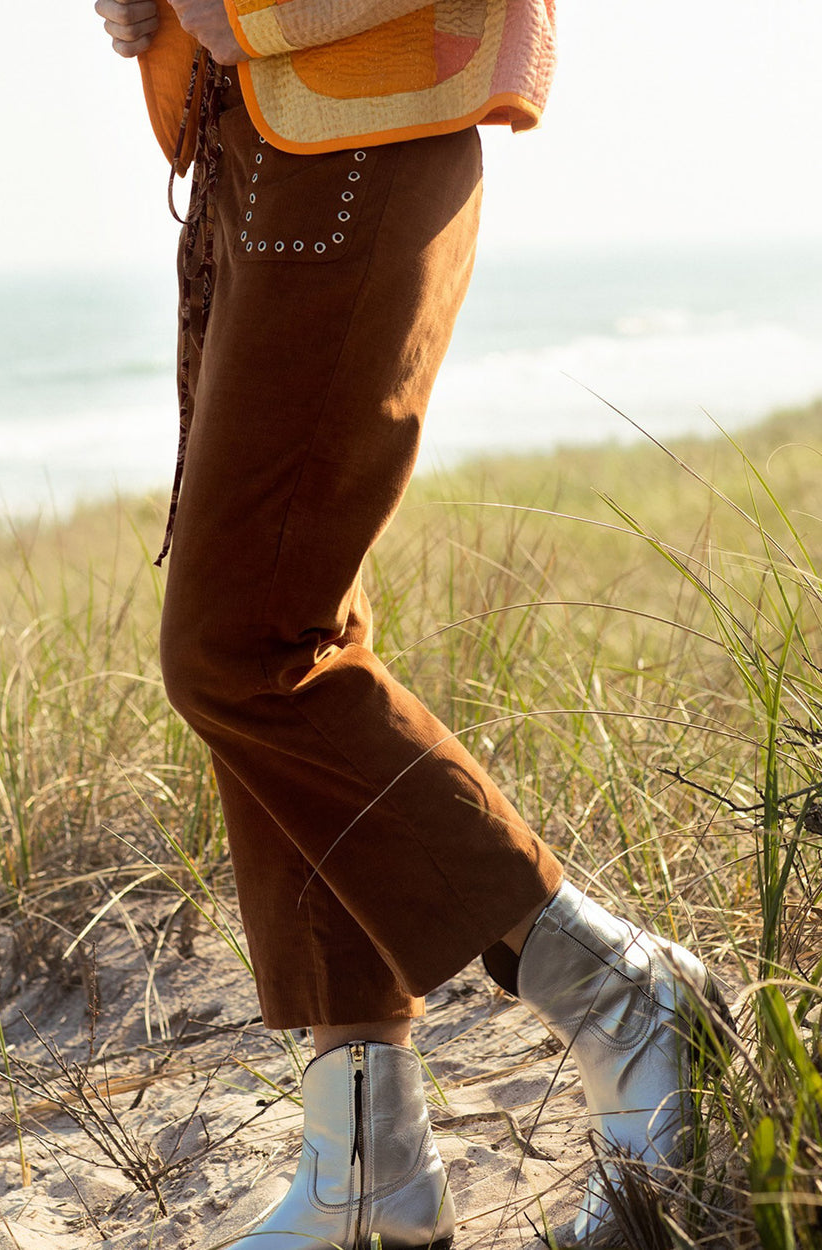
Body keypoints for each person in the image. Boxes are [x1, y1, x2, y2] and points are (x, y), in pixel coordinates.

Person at [93, 1, 732, 1244]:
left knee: (243, 644)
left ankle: (623, 991)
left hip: (360, 124)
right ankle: (364, 1156)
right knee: (292, 623)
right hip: (255, 133)